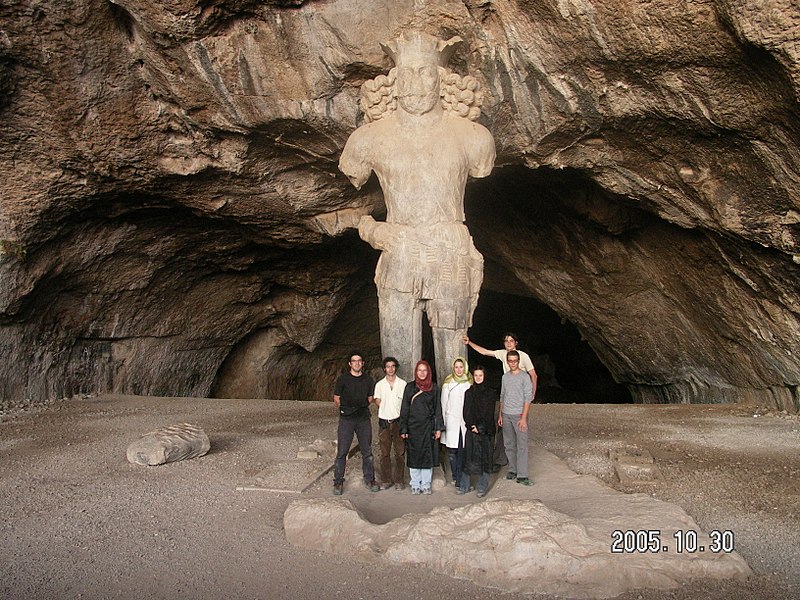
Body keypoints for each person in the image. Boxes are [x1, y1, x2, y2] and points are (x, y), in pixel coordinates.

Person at [339, 30, 496, 384]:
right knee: (397, 358)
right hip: (401, 248)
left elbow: (483, 166)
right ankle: (402, 428)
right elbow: (352, 176)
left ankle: (455, 430)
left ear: (441, 79)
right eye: (406, 74)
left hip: (449, 251)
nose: (415, 84)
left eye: (424, 72)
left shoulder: (473, 137)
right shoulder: (367, 139)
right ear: (394, 83)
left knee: (454, 354)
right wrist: (372, 228)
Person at [463, 331, 538, 471]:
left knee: (520, 429)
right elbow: (485, 352)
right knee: (503, 428)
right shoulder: (503, 354)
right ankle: (501, 460)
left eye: (511, 341)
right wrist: (469, 342)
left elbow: (533, 375)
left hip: (520, 398)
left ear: (516, 343)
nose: (509, 343)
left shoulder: (523, 356)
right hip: (507, 396)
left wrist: (532, 394)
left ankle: (519, 469)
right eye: (506, 341)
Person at [332, 352, 380, 495]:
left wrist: (360, 405)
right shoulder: (343, 379)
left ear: (363, 363)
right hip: (346, 419)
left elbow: (370, 397)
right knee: (342, 451)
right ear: (350, 364)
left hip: (363, 418)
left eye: (359, 361)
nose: (357, 363)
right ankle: (338, 481)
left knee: (367, 451)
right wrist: (347, 408)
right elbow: (336, 398)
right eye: (354, 361)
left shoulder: (368, 380)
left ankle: (370, 479)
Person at [399, 360, 444, 495]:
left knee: (427, 455)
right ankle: (414, 484)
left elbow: (437, 409)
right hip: (413, 427)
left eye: (425, 370)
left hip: (428, 427)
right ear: (416, 372)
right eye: (419, 370)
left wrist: (438, 428)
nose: (422, 373)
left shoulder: (434, 387)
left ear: (428, 372)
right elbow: (405, 409)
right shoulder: (410, 387)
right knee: (414, 455)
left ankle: (425, 484)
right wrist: (404, 428)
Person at [459, 365, 497, 497]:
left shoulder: (491, 393)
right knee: (468, 457)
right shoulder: (469, 392)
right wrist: (472, 425)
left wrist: (480, 427)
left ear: (484, 376)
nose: (478, 378)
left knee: (485, 459)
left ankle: (482, 487)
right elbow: (466, 411)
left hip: (486, 431)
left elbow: (489, 413)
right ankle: (464, 485)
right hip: (471, 430)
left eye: (480, 375)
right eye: (476, 375)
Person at [499, 350, 533, 486]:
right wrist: (500, 414)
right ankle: (512, 470)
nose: (513, 363)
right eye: (510, 361)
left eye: (515, 361)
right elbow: (502, 396)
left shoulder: (525, 377)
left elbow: (527, 398)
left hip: (519, 415)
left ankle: (522, 475)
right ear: (507, 362)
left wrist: (524, 418)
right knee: (509, 444)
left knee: (522, 445)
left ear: (518, 361)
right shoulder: (505, 377)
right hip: (506, 414)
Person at [373, 356, 407, 490]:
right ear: (384, 369)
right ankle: (386, 480)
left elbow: (405, 403)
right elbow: (377, 400)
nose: (390, 369)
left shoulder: (402, 384)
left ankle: (399, 481)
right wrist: (385, 409)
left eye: (393, 366)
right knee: (385, 453)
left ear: (396, 368)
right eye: (388, 366)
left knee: (400, 452)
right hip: (384, 422)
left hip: (398, 421)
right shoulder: (380, 385)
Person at [440, 357, 472, 487]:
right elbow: (443, 404)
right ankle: (455, 476)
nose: (459, 369)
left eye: (461, 367)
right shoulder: (448, 383)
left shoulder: (469, 383)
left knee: (464, 450)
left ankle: (463, 478)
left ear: (465, 367)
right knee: (452, 451)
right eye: (456, 367)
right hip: (451, 421)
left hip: (465, 421)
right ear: (453, 368)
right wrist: (443, 423)